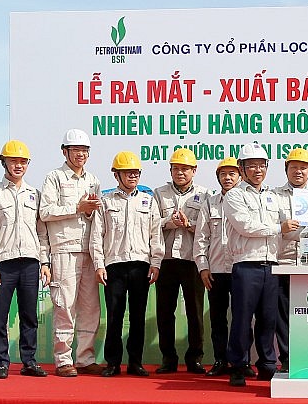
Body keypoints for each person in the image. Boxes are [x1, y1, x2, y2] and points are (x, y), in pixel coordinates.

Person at [224, 143, 297, 387]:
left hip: (271, 265)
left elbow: (288, 229)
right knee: (242, 319)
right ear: (241, 168)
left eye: (262, 165)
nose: (258, 170)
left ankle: (267, 365)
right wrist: (279, 228)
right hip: (246, 265)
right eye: (252, 165)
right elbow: (246, 226)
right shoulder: (234, 195)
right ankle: (238, 365)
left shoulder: (272, 196)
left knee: (268, 320)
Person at [0, 140, 51, 379]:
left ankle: (29, 361)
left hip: (30, 262)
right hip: (3, 264)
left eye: (23, 162)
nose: (18, 166)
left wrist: (45, 262)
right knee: (0, 316)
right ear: (4, 163)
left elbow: (42, 232)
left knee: (29, 316)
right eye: (13, 161)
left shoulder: (34, 195)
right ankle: (1, 363)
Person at [90, 151, 163, 377]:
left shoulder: (148, 201)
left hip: (141, 266)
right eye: (127, 172)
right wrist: (99, 265)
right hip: (114, 266)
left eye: (136, 172)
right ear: (116, 175)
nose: (132, 176)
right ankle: (112, 363)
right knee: (114, 316)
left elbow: (156, 234)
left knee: (138, 317)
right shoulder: (105, 202)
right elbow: (96, 236)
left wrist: (156, 263)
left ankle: (135, 362)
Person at [39, 128, 103, 377]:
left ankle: (85, 358)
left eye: (84, 150)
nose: (80, 155)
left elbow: (96, 216)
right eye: (76, 150)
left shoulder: (93, 180)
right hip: (64, 250)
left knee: (90, 308)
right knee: (65, 306)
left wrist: (87, 211)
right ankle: (63, 359)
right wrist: (77, 207)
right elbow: (45, 212)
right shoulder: (54, 178)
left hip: (88, 250)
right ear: (64, 152)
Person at [152, 148, 207, 374]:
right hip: (166, 260)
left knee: (195, 311)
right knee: (165, 312)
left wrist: (188, 224)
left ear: (194, 170)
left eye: (185, 169)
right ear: (170, 170)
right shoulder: (159, 193)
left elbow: (206, 229)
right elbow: (151, 224)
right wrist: (169, 221)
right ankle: (168, 358)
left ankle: (195, 358)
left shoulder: (204, 194)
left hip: (192, 260)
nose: (180, 173)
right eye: (176, 168)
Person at [193, 157, 241, 377]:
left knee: (242, 319)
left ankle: (241, 362)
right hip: (216, 271)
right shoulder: (210, 203)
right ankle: (220, 360)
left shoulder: (246, 200)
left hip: (241, 269)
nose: (227, 178)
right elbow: (201, 238)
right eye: (223, 174)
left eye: (232, 173)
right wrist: (203, 267)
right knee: (218, 319)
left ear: (240, 176)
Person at [273, 147, 308, 372]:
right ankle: (287, 358)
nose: (298, 171)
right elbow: (271, 228)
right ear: (286, 169)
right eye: (294, 167)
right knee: (283, 315)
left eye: (303, 168)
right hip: (283, 263)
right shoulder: (273, 196)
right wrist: (283, 228)